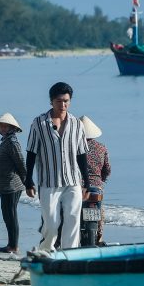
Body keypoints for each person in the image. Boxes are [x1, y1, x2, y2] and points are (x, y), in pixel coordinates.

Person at [24, 82, 90, 255]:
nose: (63, 105)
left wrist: (87, 182)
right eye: (59, 101)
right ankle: (46, 250)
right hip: (49, 182)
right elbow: (31, 152)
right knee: (51, 224)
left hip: (73, 180)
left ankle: (70, 255)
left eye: (66, 101)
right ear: (51, 101)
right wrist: (28, 180)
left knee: (73, 219)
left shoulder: (77, 124)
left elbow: (81, 154)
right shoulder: (39, 123)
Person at [0, 112, 27, 254]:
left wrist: (27, 181)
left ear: (12, 128)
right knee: (8, 215)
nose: (3, 128)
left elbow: (21, 162)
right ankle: (11, 244)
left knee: (11, 215)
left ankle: (13, 246)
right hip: (5, 184)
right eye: (1, 126)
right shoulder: (6, 141)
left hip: (12, 185)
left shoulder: (12, 142)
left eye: (6, 126)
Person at [79, 115, 111, 245]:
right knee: (100, 211)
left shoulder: (74, 147)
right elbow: (107, 169)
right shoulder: (102, 147)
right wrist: (101, 179)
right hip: (97, 187)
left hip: (79, 186)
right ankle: (99, 236)